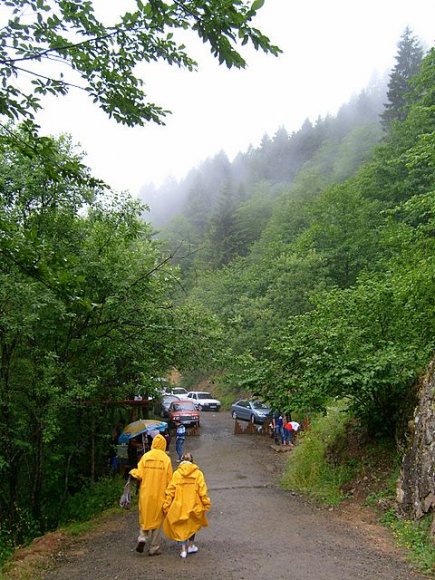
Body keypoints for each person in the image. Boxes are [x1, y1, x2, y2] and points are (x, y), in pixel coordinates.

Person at [129, 433, 173, 556]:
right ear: (163, 445)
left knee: (145, 517)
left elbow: (139, 474)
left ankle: (142, 537)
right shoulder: (166, 460)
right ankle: (154, 547)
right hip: (160, 495)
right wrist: (170, 496)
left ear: (153, 444)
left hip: (146, 493)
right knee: (158, 522)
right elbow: (170, 481)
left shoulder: (145, 457)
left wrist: (132, 471)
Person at [162, 452, 211, 559]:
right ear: (192, 461)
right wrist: (206, 503)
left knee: (180, 527)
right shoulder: (198, 474)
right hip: (194, 504)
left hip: (179, 505)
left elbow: (170, 491)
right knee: (191, 526)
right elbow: (202, 490)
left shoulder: (177, 474)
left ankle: (183, 550)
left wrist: (166, 505)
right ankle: (191, 545)